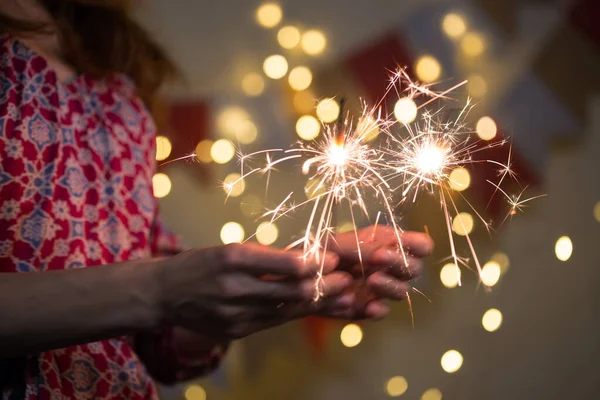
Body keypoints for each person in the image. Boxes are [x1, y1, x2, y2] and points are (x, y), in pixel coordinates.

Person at [0, 0, 434, 398]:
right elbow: (147, 292)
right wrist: (158, 290)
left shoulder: (107, 51)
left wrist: (261, 291)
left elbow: (153, 346)